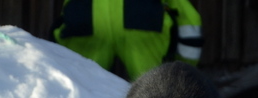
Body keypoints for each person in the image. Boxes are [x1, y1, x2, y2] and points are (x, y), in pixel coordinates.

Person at [53, 0, 203, 81]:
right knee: (153, 92)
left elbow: (67, 12)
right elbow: (190, 21)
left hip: (88, 18)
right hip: (142, 21)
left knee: (82, 88)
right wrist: (183, 70)